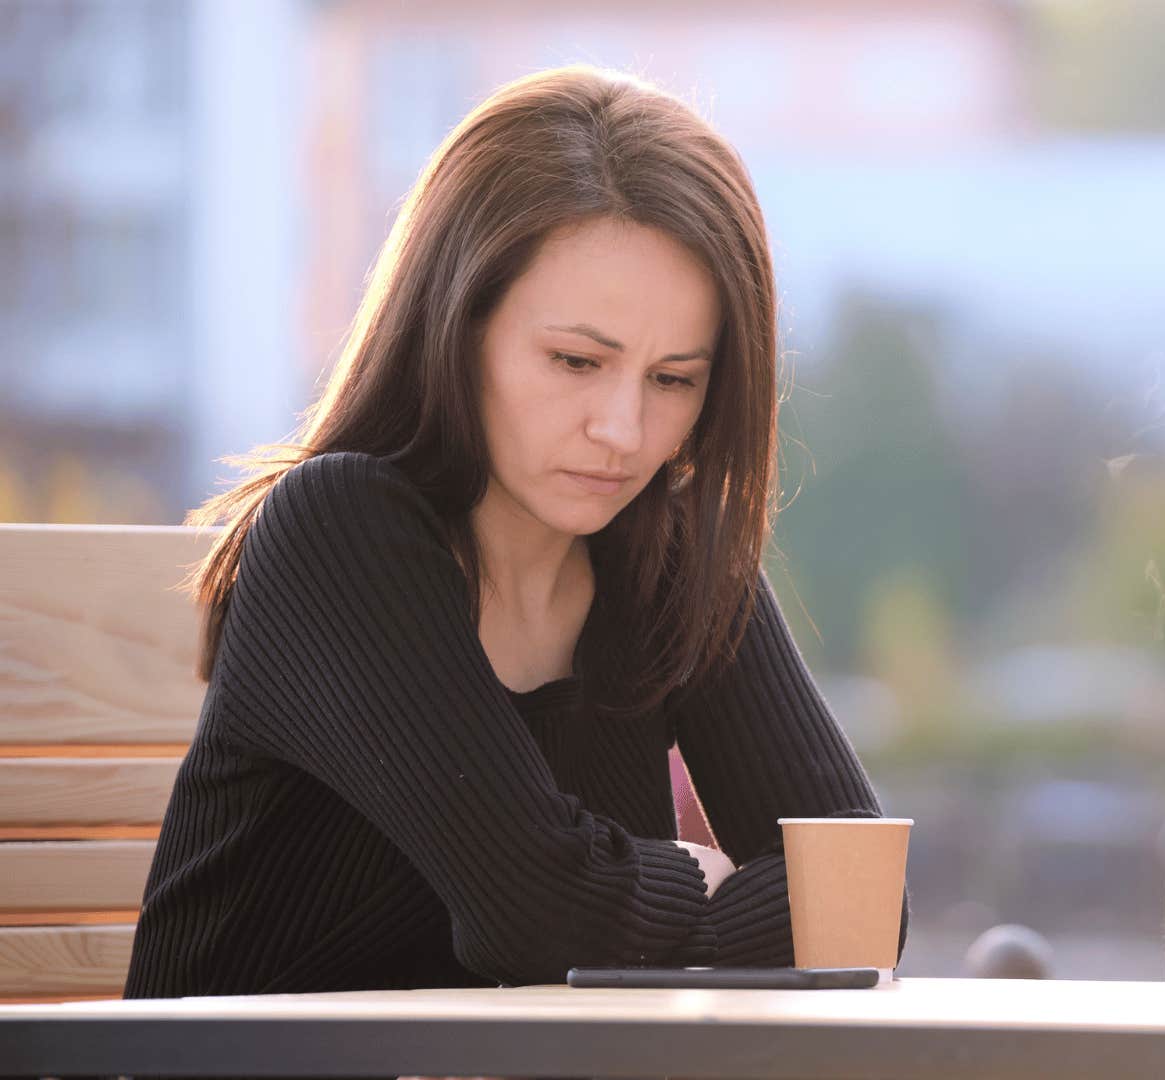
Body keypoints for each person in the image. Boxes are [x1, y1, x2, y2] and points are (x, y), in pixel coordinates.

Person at [127, 66, 893, 998]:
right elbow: (537, 918)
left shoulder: (668, 556)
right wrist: (702, 876)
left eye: (673, 379)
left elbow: (861, 897)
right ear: (457, 326)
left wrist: (620, 900)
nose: (622, 430)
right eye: (576, 360)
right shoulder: (339, 534)